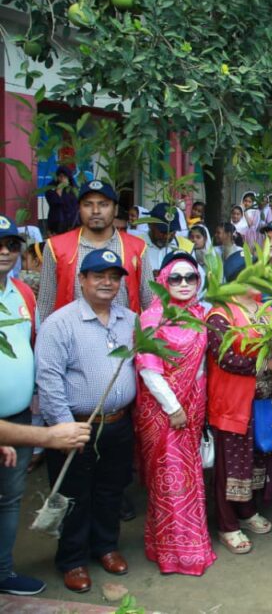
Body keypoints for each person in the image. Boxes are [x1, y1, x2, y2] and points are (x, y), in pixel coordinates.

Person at [36, 249, 138, 593]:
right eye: (99, 276)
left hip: (119, 423)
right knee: (74, 495)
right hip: (76, 425)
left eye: (113, 277)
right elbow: (49, 380)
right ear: (82, 280)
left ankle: (106, 547)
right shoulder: (59, 323)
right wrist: (65, 427)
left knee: (111, 491)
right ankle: (73, 559)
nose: (107, 283)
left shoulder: (130, 320)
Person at [134, 252, 216, 576]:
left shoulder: (199, 314)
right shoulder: (153, 317)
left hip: (194, 407)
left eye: (190, 278)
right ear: (163, 281)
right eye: (176, 278)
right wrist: (174, 407)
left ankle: (189, 545)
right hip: (166, 412)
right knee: (170, 481)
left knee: (190, 477)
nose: (184, 284)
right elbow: (148, 370)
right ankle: (175, 554)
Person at [205, 253, 272, 555]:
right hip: (234, 402)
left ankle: (247, 511)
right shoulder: (219, 315)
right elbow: (227, 359)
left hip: (262, 401)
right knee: (231, 466)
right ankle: (227, 524)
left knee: (255, 459)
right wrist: (270, 364)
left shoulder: (264, 309)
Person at [0, 217, 45, 596]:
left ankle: (3, 570)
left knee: (11, 497)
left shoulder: (22, 294)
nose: (4, 251)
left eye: (11, 244)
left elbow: (30, 344)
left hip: (18, 416)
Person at [38, 180, 152, 324]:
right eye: (88, 204)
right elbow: (45, 304)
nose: (96, 211)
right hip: (71, 340)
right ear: (79, 208)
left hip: (125, 339)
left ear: (115, 210)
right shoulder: (56, 247)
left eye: (104, 204)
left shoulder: (137, 247)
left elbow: (151, 303)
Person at [44, 166, 78, 236]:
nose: (62, 179)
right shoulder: (51, 187)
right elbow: (53, 202)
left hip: (71, 225)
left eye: (65, 177)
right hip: (55, 224)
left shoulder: (73, 189)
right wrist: (60, 188)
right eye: (60, 176)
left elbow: (75, 206)